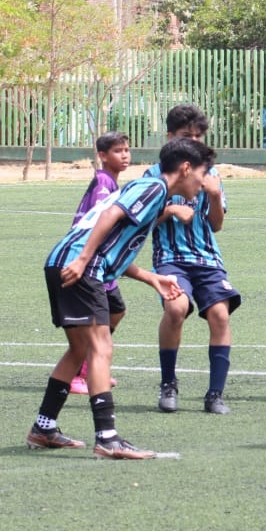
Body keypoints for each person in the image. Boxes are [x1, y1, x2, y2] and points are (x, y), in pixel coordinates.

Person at [26, 137, 215, 459]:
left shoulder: (155, 195)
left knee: (81, 348)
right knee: (101, 347)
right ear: (185, 168)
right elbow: (109, 216)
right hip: (79, 266)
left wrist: (150, 277)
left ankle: (44, 428)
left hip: (65, 261)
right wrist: (84, 259)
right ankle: (107, 439)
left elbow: (114, 246)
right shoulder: (153, 188)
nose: (204, 181)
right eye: (202, 173)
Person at [148, 104, 242, 415]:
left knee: (220, 314)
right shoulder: (152, 175)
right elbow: (139, 220)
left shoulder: (210, 173)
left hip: (207, 259)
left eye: (199, 136)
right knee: (176, 308)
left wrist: (214, 196)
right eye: (187, 136)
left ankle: (215, 394)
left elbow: (216, 225)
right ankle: (168, 383)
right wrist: (171, 210)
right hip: (171, 258)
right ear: (170, 137)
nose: (195, 142)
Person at [68, 131, 131, 395]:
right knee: (95, 321)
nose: (125, 155)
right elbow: (100, 222)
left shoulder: (110, 182)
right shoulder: (103, 184)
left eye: (127, 150)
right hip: (88, 262)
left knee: (115, 310)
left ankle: (93, 365)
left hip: (102, 265)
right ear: (102, 156)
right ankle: (79, 373)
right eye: (118, 151)